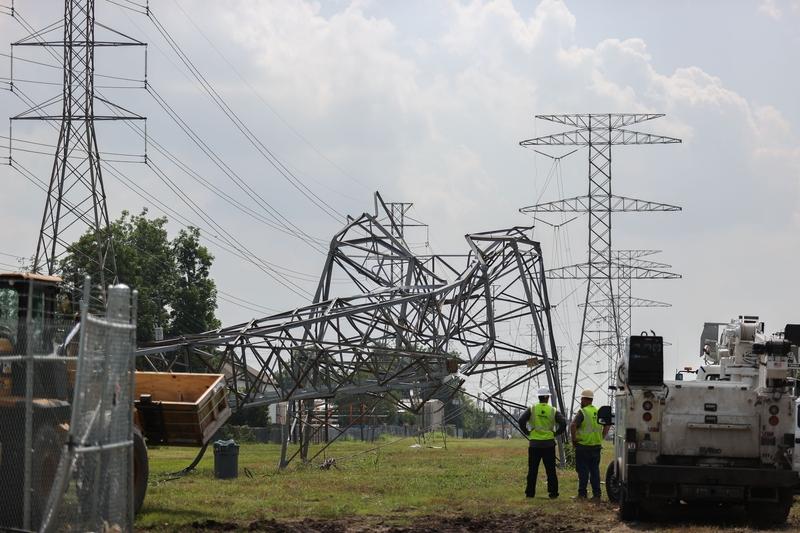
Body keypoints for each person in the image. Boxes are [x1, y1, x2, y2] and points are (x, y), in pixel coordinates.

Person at [517, 386, 566, 499]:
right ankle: (553, 493)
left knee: (532, 470)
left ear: (539, 397)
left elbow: (521, 420)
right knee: (551, 470)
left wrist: (527, 432)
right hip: (549, 444)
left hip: (534, 444)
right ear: (547, 397)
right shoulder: (553, 410)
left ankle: (530, 493)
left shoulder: (532, 409)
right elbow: (563, 423)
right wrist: (556, 433)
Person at [570, 389, 609, 500]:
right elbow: (607, 424)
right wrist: (602, 436)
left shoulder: (583, 412)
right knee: (595, 471)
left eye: (581, 399)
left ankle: (582, 494)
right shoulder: (598, 411)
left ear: (583, 399)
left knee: (583, 471)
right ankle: (597, 495)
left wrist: (574, 440)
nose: (581, 401)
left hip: (583, 446)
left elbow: (573, 425)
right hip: (596, 446)